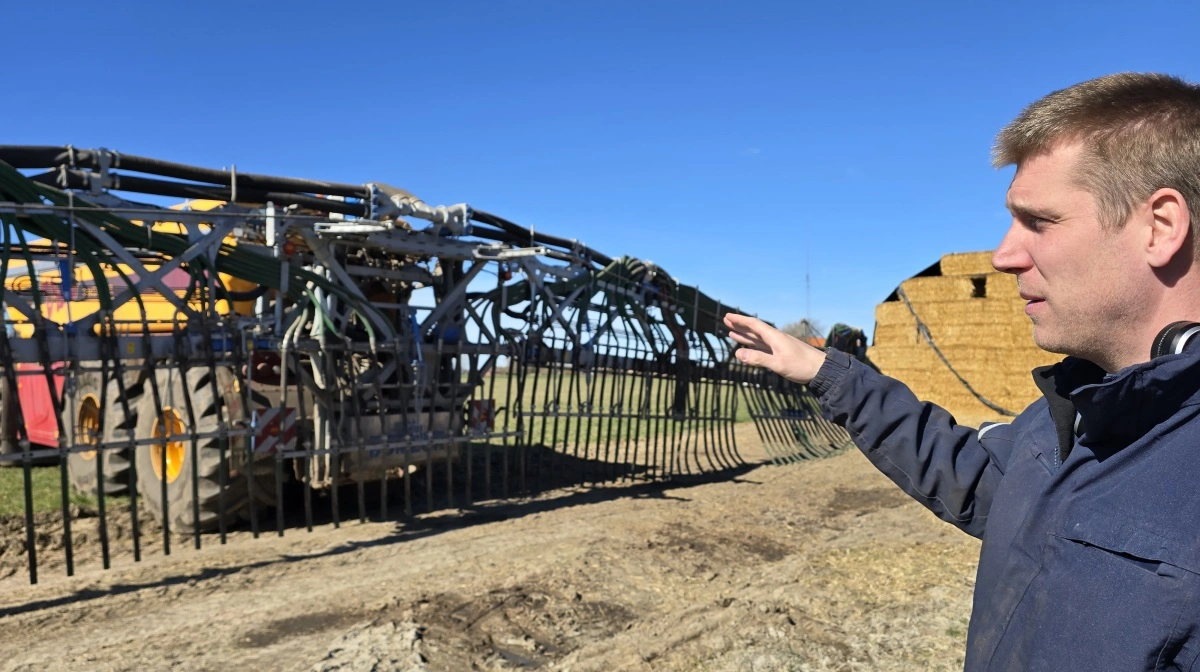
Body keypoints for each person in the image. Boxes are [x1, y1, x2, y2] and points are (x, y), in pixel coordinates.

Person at [724, 72, 1200, 671]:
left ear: (1159, 226)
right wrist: (828, 372)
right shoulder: (1074, 412)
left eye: (1040, 221)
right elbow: (976, 479)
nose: (1003, 256)